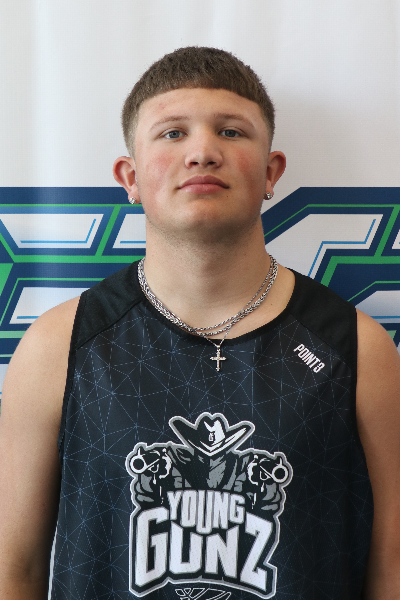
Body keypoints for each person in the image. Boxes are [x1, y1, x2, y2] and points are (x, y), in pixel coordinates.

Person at [0, 46, 399, 600]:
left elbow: (392, 567)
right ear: (130, 177)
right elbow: (13, 568)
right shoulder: (57, 346)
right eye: (172, 133)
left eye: (231, 132)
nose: (203, 152)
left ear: (271, 172)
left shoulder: (356, 348)